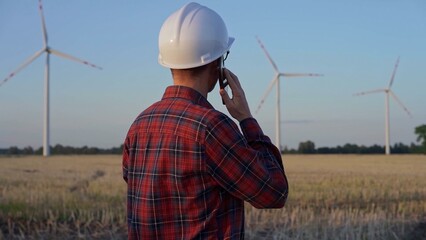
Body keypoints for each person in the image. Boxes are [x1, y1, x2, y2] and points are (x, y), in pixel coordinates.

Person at [122, 2, 289, 239]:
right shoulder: (211, 128)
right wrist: (246, 119)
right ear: (217, 63)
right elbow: (274, 192)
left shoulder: (139, 125)